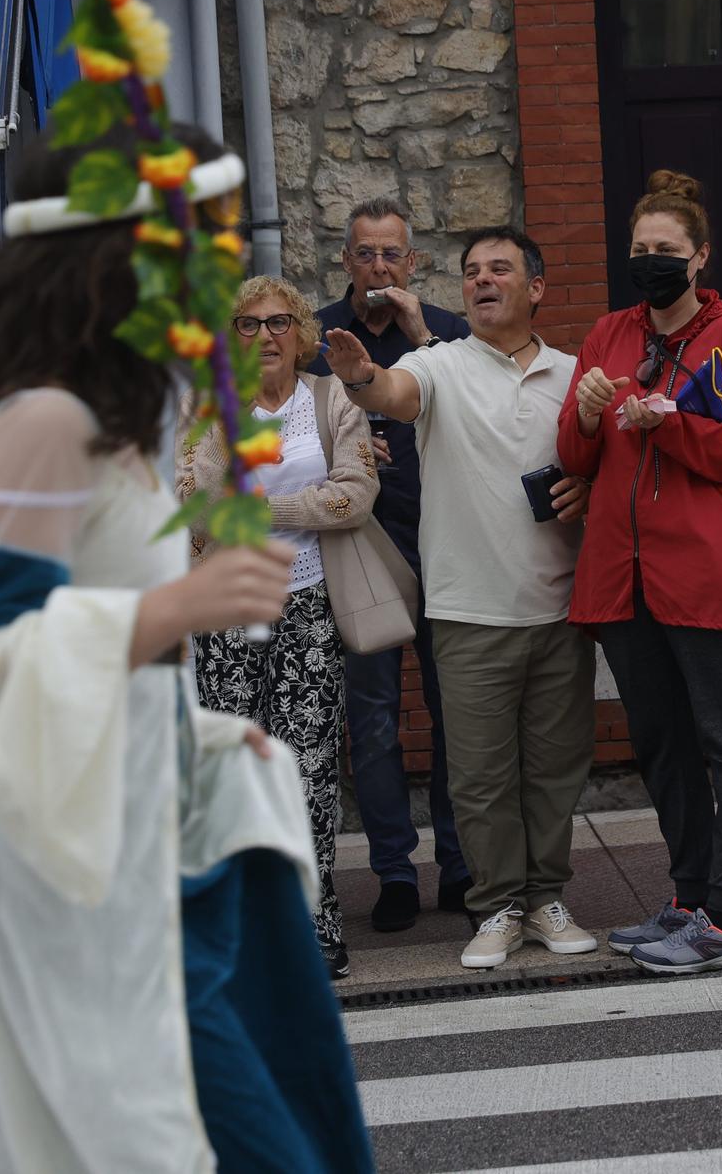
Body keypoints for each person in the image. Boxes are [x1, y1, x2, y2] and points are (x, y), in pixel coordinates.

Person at [0, 128, 371, 1172]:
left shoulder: (100, 422)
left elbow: (87, 636)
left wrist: (195, 736)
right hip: (57, 874)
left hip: (123, 846)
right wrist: (184, 605)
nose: (219, 265)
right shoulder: (39, 425)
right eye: (200, 234)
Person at [326, 225, 600, 973]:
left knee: (552, 768)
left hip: (558, 609)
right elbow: (394, 392)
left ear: (535, 288)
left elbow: (604, 465)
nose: (482, 280)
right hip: (469, 610)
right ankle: (497, 906)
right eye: (472, 271)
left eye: (499, 269)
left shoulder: (575, 375)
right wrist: (359, 379)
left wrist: (591, 485)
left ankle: (545, 896)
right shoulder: (438, 364)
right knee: (480, 776)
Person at [557, 170, 722, 974]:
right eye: (641, 249)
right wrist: (583, 416)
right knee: (662, 746)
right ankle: (687, 897)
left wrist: (677, 423)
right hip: (624, 578)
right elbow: (576, 458)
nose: (651, 261)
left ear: (700, 257)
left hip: (709, 577)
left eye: (667, 250)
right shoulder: (609, 333)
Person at [185, 274, 381, 980]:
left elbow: (357, 492)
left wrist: (269, 509)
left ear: (300, 334)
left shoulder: (329, 401)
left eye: (277, 322)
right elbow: (195, 504)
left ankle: (314, 921)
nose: (263, 335)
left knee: (309, 772)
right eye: (246, 323)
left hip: (307, 608)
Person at [309, 198, 472, 932]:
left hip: (442, 537)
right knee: (371, 719)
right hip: (356, 547)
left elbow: (480, 414)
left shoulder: (447, 333)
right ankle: (395, 871)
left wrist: (423, 336)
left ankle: (461, 864)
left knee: (453, 712)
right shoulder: (311, 337)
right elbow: (266, 433)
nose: (378, 267)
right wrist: (337, 457)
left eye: (391, 254)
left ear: (413, 263)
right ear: (344, 260)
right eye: (365, 253)